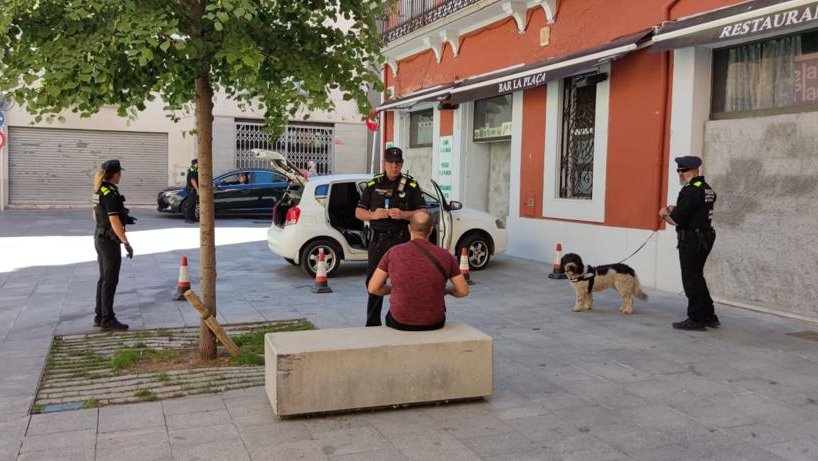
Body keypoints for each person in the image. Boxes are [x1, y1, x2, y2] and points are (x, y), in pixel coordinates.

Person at [356, 146, 427, 326]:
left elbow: (423, 212)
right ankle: (372, 323)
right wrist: (373, 215)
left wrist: (404, 215)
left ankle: (398, 318)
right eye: (390, 163)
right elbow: (358, 212)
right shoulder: (374, 184)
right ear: (384, 164)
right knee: (373, 283)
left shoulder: (411, 186)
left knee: (402, 280)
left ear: (402, 164)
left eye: (397, 163)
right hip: (377, 241)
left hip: (401, 240)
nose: (394, 166)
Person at [368, 211, 469, 330]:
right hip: (434, 321)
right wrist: (447, 291)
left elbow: (373, 288)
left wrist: (393, 289)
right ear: (431, 230)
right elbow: (463, 291)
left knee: (391, 316)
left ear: (409, 228)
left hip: (399, 321)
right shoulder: (446, 256)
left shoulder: (393, 253)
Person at [659, 155, 718, 331]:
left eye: (683, 170)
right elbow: (697, 210)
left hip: (692, 239)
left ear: (693, 170)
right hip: (705, 237)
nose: (680, 174)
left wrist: (664, 214)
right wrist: (677, 209)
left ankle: (695, 319)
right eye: (678, 170)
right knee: (697, 276)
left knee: (691, 279)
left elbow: (676, 221)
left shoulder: (690, 190)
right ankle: (709, 315)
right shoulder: (706, 188)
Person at [92, 159, 133, 331]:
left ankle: (100, 315)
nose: (120, 176)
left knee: (103, 279)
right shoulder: (110, 193)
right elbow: (114, 220)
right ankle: (107, 319)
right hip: (109, 241)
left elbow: (94, 215)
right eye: (119, 173)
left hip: (99, 238)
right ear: (115, 174)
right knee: (110, 280)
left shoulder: (99, 189)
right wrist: (125, 241)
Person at [184, 158, 199, 223]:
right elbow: (193, 180)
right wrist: (197, 189)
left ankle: (193, 218)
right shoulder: (192, 170)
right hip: (191, 190)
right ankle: (188, 219)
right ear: (196, 163)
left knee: (193, 204)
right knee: (190, 204)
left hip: (193, 190)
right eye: (199, 163)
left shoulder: (194, 169)